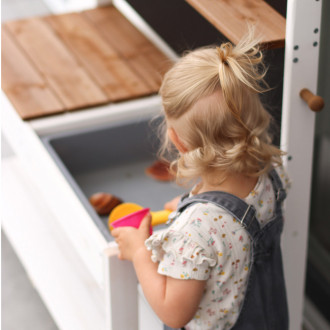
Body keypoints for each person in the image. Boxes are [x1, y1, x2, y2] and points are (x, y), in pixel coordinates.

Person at [112, 32, 291, 330]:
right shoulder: (269, 170)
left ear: (176, 141)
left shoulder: (195, 233)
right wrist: (186, 210)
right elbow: (235, 223)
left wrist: (140, 252)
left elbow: (173, 312)